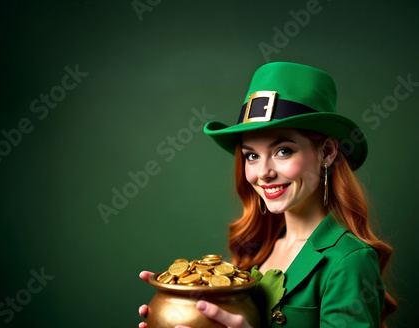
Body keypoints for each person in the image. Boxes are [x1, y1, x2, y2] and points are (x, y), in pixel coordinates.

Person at [138, 62, 396, 327]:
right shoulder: (259, 250)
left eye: (283, 151)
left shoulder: (350, 260)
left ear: (327, 152)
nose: (263, 173)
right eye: (251, 155)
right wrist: (177, 310)